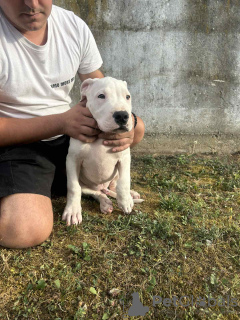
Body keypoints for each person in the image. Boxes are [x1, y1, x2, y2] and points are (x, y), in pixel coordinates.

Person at [0, 0, 145, 249]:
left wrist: (131, 121)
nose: (32, 4)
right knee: (23, 229)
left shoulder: (72, 26)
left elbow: (102, 88)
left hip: (71, 133)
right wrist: (61, 122)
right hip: (19, 142)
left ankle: (92, 185)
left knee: (137, 130)